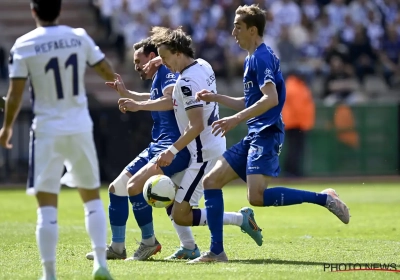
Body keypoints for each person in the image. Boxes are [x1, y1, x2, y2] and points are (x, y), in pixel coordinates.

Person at [190, 4, 351, 263]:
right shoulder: (252, 58)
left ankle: (324, 198)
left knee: (256, 197)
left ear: (253, 30)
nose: (233, 32)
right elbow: (252, 100)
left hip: (266, 133)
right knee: (211, 182)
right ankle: (217, 251)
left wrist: (234, 120)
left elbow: (270, 98)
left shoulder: (261, 57)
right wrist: (216, 97)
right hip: (255, 133)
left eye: (238, 27)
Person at [118, 26, 263, 258]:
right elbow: (175, 99)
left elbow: (195, 125)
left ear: (177, 53)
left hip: (203, 153)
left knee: (181, 214)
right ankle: (188, 247)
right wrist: (141, 103)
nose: (163, 63)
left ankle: (240, 219)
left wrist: (172, 151)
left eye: (164, 58)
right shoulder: (202, 65)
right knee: (168, 199)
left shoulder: (185, 82)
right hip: (208, 145)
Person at [0, 0, 116, 279]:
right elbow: (104, 70)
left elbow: (15, 94)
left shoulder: (24, 44)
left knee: (47, 207)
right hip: (79, 126)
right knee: (92, 199)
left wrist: (6, 128)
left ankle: (49, 273)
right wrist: (122, 91)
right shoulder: (78, 37)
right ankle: (101, 263)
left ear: (33, 11)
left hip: (47, 130)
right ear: (60, 10)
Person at [85, 37, 200, 261]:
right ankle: (117, 247)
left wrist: (137, 106)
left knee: (134, 187)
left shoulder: (166, 73)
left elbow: (169, 101)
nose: (136, 65)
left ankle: (149, 242)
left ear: (152, 56)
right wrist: (127, 94)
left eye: (139, 60)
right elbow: (154, 98)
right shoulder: (159, 76)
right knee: (116, 188)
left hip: (171, 148)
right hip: (156, 145)